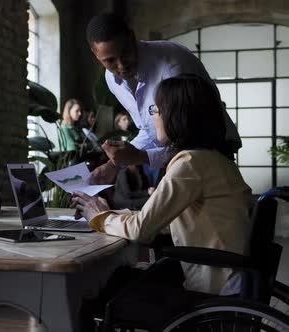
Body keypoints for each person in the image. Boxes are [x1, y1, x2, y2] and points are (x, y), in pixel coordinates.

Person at [72, 74, 252, 296]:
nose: (153, 117)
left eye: (156, 110)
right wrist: (106, 212)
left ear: (177, 116)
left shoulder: (190, 163)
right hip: (234, 277)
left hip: (216, 284)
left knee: (110, 287)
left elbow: (141, 229)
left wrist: (100, 217)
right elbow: (163, 221)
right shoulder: (214, 159)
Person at [86, 13, 241, 184]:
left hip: (210, 154)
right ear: (95, 54)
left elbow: (192, 141)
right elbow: (149, 130)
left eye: (125, 53)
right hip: (178, 159)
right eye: (110, 60)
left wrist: (139, 156)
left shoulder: (173, 67)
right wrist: (113, 165)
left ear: (132, 37)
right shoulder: (112, 79)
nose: (121, 65)